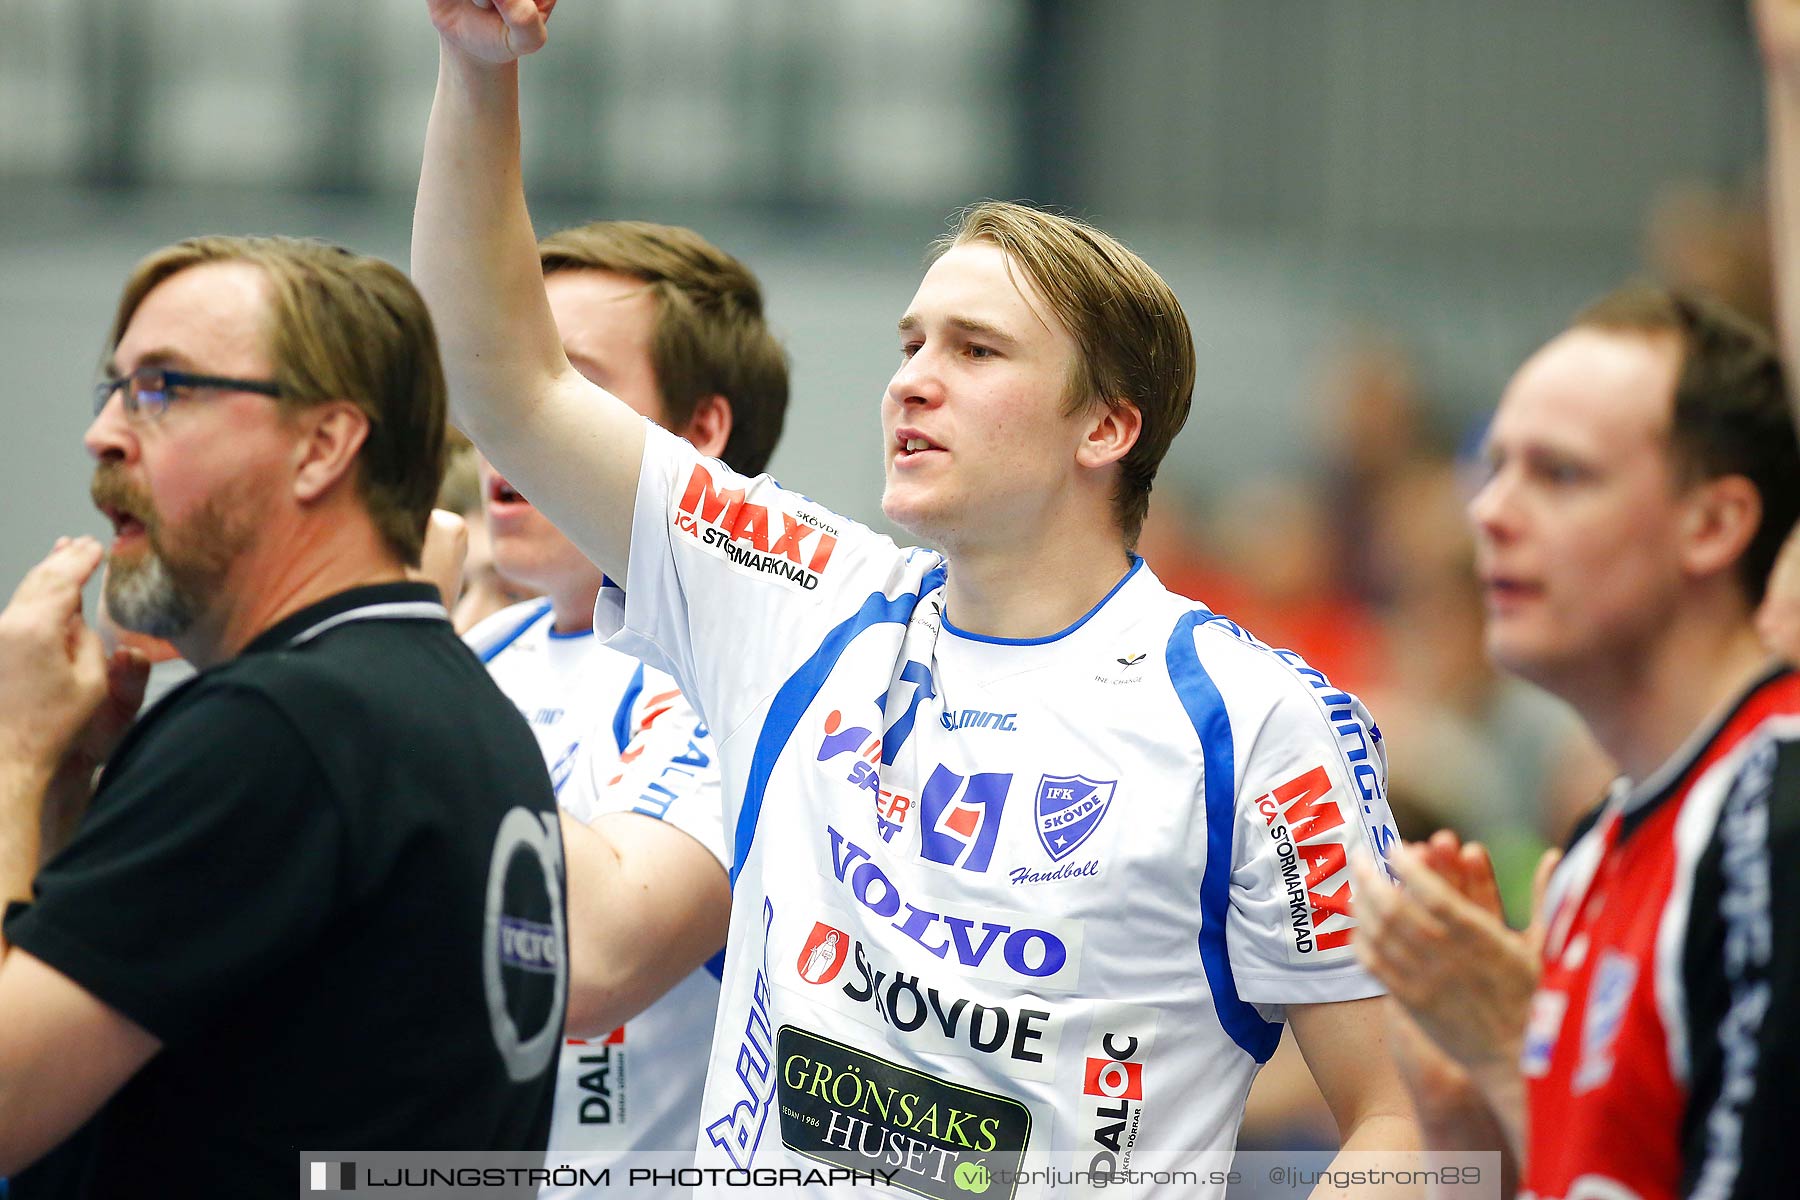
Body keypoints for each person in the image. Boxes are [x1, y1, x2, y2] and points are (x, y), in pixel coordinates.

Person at [414, 5, 1418, 1194]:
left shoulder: (1255, 721)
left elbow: (1402, 1123)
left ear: (1107, 426)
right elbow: (506, 378)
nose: (911, 384)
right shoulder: (799, 596)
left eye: (975, 352)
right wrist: (476, 68)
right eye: (910, 344)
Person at [0, 236, 567, 1197]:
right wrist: (62, 779)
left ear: (322, 447)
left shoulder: (280, 728)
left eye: (163, 387)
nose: (103, 432)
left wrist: (10, 754)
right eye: (114, 387)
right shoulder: (456, 707)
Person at [1352, 282, 1800, 1200]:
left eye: (1559, 475)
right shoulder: (1603, 843)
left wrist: (1512, 1063)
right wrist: (1463, 1121)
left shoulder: (1774, 824)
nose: (1489, 513)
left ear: (1713, 524)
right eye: (1495, 467)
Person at [460, 218, 787, 1185]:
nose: (504, 422)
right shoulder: (480, 655)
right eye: (498, 381)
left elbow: (590, 966)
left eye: (560, 385)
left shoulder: (755, 672)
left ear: (698, 435)